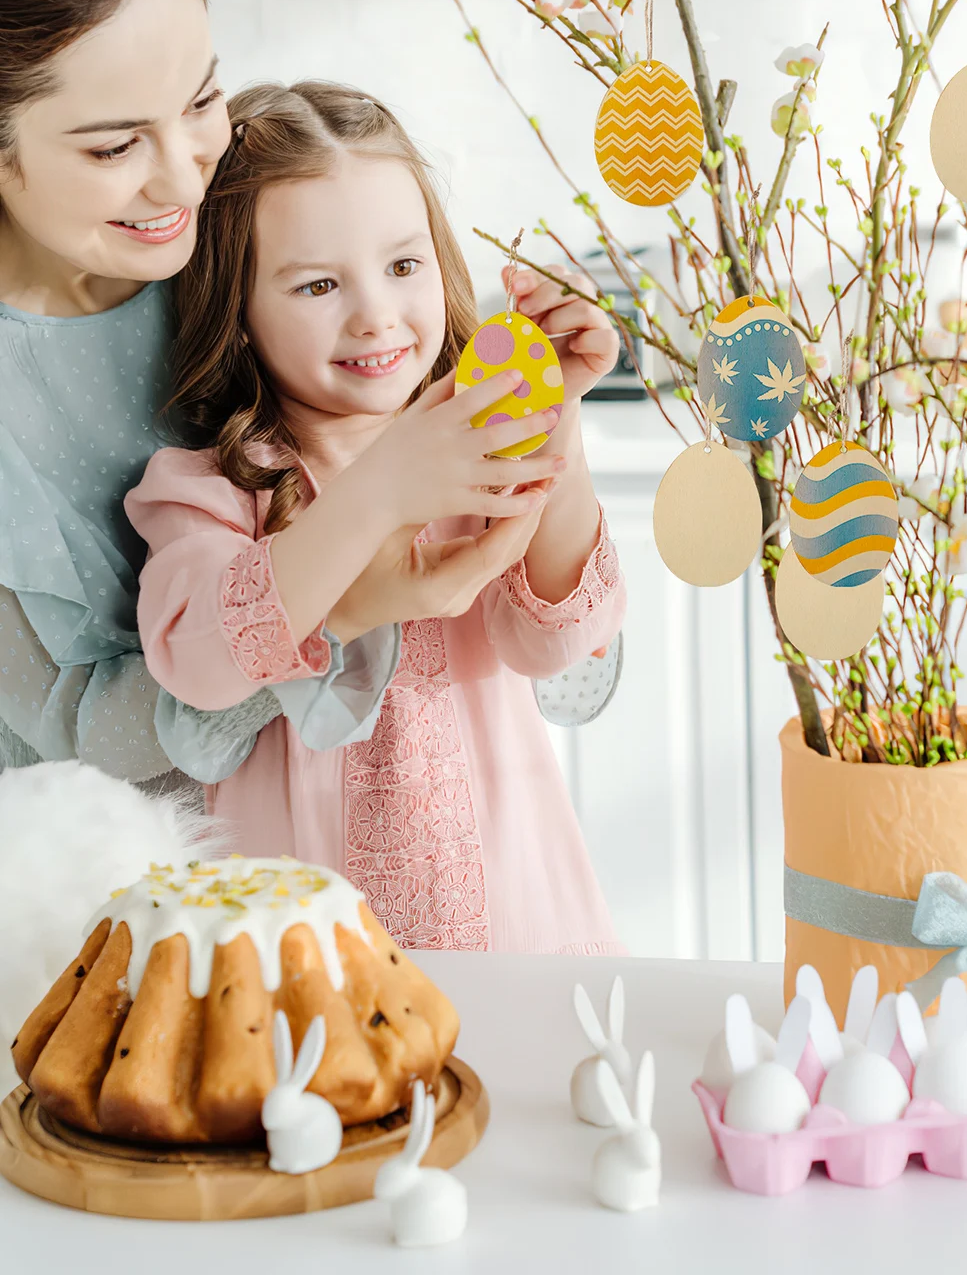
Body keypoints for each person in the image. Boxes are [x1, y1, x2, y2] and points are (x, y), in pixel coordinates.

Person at [0, 0, 531, 791]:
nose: (181, 181)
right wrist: (339, 606)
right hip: (87, 886)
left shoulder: (229, 241)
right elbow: (91, 739)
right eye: (115, 147)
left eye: (201, 102)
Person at [128, 80, 623, 954]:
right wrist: (381, 493)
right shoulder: (209, 489)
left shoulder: (480, 446)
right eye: (318, 283)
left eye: (404, 265)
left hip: (516, 928)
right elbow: (199, 664)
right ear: (238, 316)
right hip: (302, 969)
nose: (377, 315)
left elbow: (556, 639)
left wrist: (557, 422)